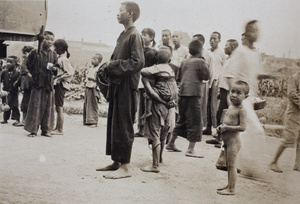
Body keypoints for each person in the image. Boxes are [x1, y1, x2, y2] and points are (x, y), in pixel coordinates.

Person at [96, 1, 144, 179]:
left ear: (130, 13)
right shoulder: (123, 34)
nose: (117, 14)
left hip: (127, 86)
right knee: (115, 123)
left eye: (120, 11)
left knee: (124, 125)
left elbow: (137, 62)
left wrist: (112, 65)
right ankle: (117, 161)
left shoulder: (135, 35)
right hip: (118, 85)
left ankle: (126, 167)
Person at [166, 40, 209, 156]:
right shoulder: (201, 62)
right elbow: (206, 76)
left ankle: (170, 143)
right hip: (194, 94)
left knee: (182, 119)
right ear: (200, 50)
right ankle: (190, 149)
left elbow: (179, 76)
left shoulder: (184, 62)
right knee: (195, 121)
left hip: (183, 94)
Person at [140, 46, 178, 173]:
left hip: (159, 104)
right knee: (163, 134)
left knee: (155, 134)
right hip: (171, 106)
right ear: (170, 59)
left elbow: (143, 72)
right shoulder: (171, 69)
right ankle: (160, 158)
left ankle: (155, 165)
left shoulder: (154, 69)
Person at [217, 80, 249, 196]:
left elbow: (243, 127)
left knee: (232, 165)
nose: (234, 95)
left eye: (239, 93)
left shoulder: (241, 110)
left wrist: (227, 128)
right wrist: (221, 127)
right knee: (228, 166)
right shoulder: (231, 106)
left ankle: (232, 189)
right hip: (226, 141)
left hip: (233, 142)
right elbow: (226, 120)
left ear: (246, 96)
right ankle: (229, 185)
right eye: (232, 91)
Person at [24, 31, 58, 137]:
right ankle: (33, 130)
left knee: (48, 108)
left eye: (52, 39)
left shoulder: (54, 54)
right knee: (35, 106)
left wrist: (54, 68)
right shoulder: (35, 52)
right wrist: (29, 75)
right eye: (47, 39)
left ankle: (46, 130)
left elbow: (57, 69)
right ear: (42, 40)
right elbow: (25, 65)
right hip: (37, 84)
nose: (49, 41)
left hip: (48, 84)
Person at [208, 39, 239, 147]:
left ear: (232, 47)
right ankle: (218, 136)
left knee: (225, 115)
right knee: (219, 114)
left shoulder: (234, 60)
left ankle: (222, 140)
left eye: (226, 46)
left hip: (228, 91)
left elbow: (231, 79)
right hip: (223, 90)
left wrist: (229, 95)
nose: (224, 47)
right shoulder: (229, 59)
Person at [269, 71, 300, 173]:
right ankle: (273, 162)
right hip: (293, 114)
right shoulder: (294, 78)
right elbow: (292, 94)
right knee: (289, 138)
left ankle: (297, 164)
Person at [135, 28, 157, 137]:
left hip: (149, 80)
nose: (143, 37)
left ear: (151, 38)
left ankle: (147, 129)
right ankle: (141, 128)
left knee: (147, 104)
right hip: (140, 79)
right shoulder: (140, 50)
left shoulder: (153, 52)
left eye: (146, 35)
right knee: (141, 105)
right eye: (142, 34)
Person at [204, 32, 226, 139]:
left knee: (214, 105)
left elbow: (224, 68)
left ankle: (215, 128)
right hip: (208, 80)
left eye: (214, 39)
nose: (212, 41)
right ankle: (207, 127)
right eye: (210, 38)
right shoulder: (207, 52)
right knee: (207, 104)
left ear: (219, 40)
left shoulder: (222, 53)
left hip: (216, 81)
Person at [192, 34, 215, 132]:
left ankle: (200, 126)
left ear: (201, 42)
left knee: (201, 105)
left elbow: (211, 70)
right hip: (193, 82)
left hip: (203, 83)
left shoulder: (208, 54)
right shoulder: (192, 54)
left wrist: (209, 85)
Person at [51, 39, 75, 135]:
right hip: (58, 84)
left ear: (60, 48)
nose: (54, 49)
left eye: (55, 47)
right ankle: (57, 127)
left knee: (59, 107)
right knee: (57, 106)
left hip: (61, 85)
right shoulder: (60, 58)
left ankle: (60, 129)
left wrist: (59, 77)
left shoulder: (63, 59)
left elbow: (70, 73)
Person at [13, 46, 34, 127]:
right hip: (25, 84)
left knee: (27, 102)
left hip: (29, 84)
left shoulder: (31, 61)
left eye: (25, 53)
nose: (24, 55)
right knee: (24, 102)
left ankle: (25, 121)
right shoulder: (26, 60)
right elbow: (22, 73)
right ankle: (24, 120)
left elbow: (26, 72)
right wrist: (18, 81)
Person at [83, 53, 102, 127]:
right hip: (88, 86)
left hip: (94, 87)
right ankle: (87, 120)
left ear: (99, 61)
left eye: (95, 59)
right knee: (87, 103)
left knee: (93, 104)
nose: (93, 60)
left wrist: (93, 79)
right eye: (92, 58)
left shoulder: (99, 69)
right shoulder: (90, 68)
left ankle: (94, 121)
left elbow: (100, 80)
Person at [0, 56, 20, 125]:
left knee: (15, 105)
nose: (8, 64)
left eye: (11, 62)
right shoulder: (4, 72)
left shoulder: (17, 73)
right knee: (6, 104)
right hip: (5, 91)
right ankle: (5, 119)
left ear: (15, 64)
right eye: (7, 62)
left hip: (14, 92)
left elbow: (19, 82)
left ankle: (17, 119)